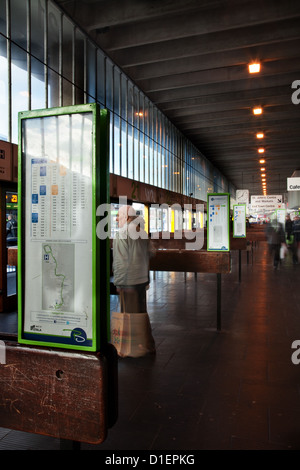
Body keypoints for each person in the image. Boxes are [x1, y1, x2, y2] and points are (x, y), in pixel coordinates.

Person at [113, 205, 153, 313]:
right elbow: (151, 253)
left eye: (118, 216)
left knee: (128, 317)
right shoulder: (142, 232)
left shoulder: (121, 234)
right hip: (142, 280)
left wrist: (119, 282)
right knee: (140, 314)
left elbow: (120, 261)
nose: (116, 219)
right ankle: (141, 330)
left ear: (126, 217)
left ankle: (134, 331)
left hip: (128, 282)